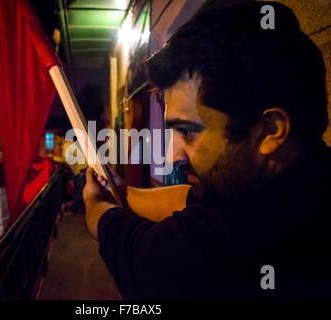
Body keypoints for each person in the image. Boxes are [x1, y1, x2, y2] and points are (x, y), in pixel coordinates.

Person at [83, 1, 331, 299]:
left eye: (187, 132)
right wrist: (120, 192)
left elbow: (138, 255)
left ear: (270, 130)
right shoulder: (301, 176)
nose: (173, 156)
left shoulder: (235, 241)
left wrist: (96, 207)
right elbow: (185, 199)